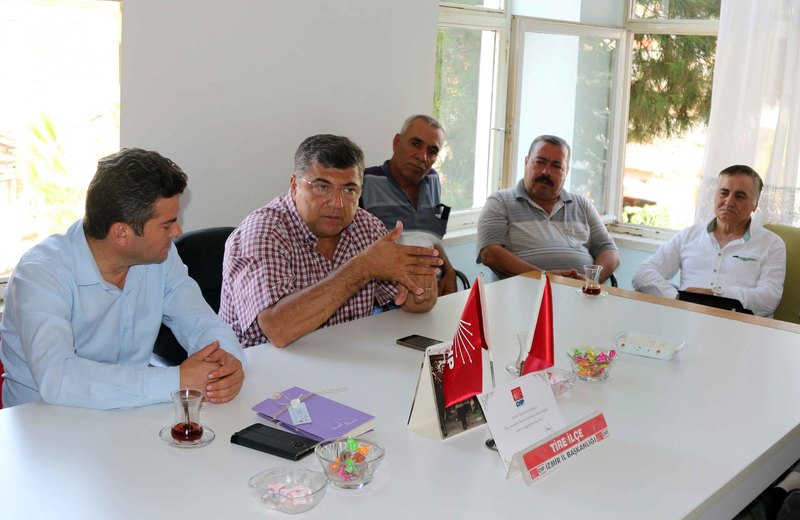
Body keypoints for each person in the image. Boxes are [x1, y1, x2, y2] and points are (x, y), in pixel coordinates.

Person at [0, 148, 245, 409]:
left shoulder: (160, 258)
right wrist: (177, 380)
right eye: (166, 225)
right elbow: (59, 379)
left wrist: (225, 364)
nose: (177, 232)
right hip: (43, 420)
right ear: (121, 234)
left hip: (128, 413)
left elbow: (202, 323)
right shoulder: (40, 274)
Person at [220, 134, 441, 348]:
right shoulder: (263, 231)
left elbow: (414, 303)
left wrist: (423, 288)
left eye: (349, 190)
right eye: (322, 187)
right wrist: (362, 268)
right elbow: (277, 330)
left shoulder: (368, 227)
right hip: (258, 367)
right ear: (295, 186)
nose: (337, 203)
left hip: (342, 359)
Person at [631, 165, 785, 317]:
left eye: (739, 196)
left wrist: (716, 294)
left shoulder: (772, 244)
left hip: (740, 325)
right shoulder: (689, 236)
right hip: (687, 320)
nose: (729, 201)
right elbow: (642, 273)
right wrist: (676, 297)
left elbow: (769, 299)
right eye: (724, 193)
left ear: (755, 204)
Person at [477, 134, 620, 281]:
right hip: (524, 293)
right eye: (540, 162)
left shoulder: (582, 205)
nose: (546, 172)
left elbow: (610, 252)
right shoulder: (500, 202)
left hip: (579, 292)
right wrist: (545, 279)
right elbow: (490, 253)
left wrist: (591, 282)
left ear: (566, 171)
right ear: (526, 162)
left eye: (556, 166)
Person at [360, 114, 457, 295]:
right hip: (387, 298)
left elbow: (432, 237)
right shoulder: (365, 181)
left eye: (432, 151)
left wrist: (449, 271)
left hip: (430, 291)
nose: (422, 156)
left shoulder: (433, 179)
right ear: (397, 142)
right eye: (416, 144)